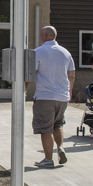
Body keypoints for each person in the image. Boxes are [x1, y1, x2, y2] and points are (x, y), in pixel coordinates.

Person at [31, 25, 75, 168]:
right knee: (58, 123)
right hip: (62, 96)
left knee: (45, 128)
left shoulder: (39, 51)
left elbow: (31, 73)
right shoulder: (65, 52)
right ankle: (60, 147)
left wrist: (24, 89)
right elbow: (72, 74)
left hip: (45, 96)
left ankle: (48, 159)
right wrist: (69, 92)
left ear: (44, 36)